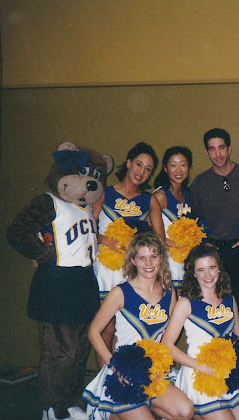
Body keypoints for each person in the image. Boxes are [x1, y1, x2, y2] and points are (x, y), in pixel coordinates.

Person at [82, 232, 194, 420]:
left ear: (161, 258)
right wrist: (115, 366)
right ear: (133, 260)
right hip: (125, 372)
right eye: (142, 258)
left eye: (153, 256)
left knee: (185, 411)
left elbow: (168, 339)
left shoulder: (169, 292)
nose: (148, 263)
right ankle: (114, 412)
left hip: (153, 372)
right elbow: (94, 331)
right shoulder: (120, 292)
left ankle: (136, 410)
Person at [189, 128, 239, 348]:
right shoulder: (199, 183)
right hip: (213, 256)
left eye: (221, 147)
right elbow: (192, 222)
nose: (218, 154)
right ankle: (217, 357)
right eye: (212, 149)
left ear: (230, 148)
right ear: (207, 152)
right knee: (216, 309)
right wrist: (203, 243)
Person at [161, 244, 239, 419]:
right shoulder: (185, 303)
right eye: (201, 270)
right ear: (193, 273)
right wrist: (201, 366)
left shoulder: (229, 298)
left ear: (219, 269)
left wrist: (234, 360)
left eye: (212, 267)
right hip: (199, 374)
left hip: (226, 373)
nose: (208, 275)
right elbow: (166, 346)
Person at [92, 142, 158, 368]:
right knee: (107, 327)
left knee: (125, 329)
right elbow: (88, 229)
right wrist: (106, 240)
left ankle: (122, 379)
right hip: (106, 269)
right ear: (128, 163)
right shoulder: (105, 192)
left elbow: (158, 238)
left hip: (132, 270)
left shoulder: (149, 200)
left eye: (148, 169)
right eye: (138, 164)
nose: (141, 172)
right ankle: (104, 380)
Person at [149, 146, 193, 295]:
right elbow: (151, 232)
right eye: (173, 165)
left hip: (184, 259)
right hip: (167, 259)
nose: (178, 170)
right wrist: (176, 244)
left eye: (183, 164)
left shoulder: (188, 195)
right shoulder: (160, 195)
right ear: (165, 168)